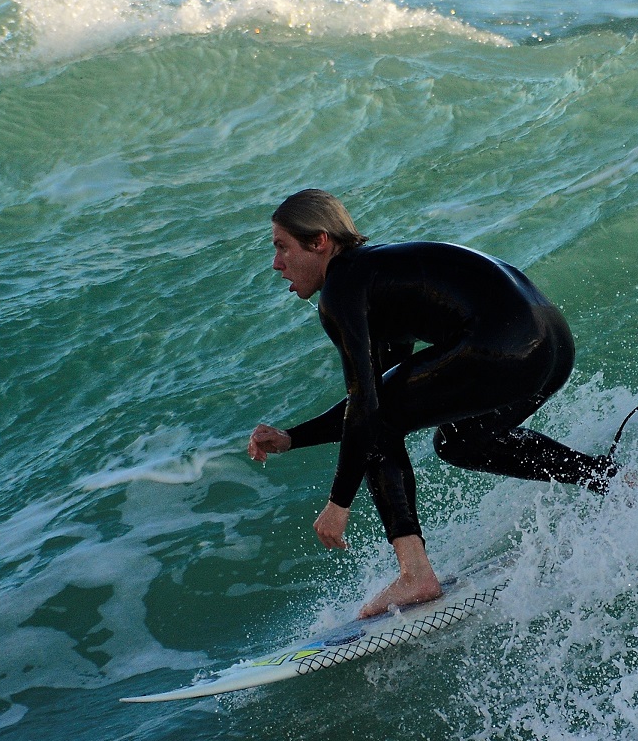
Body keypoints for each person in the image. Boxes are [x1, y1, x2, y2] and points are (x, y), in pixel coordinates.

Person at [247, 189, 618, 618]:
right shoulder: (380, 275)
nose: (277, 265)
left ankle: (415, 574)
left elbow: (369, 410)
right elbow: (379, 395)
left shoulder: (342, 289)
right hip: (549, 343)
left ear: (319, 242)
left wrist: (338, 504)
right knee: (461, 442)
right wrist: (294, 438)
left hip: (506, 342)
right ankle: (612, 480)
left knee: (378, 425)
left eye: (282, 248)